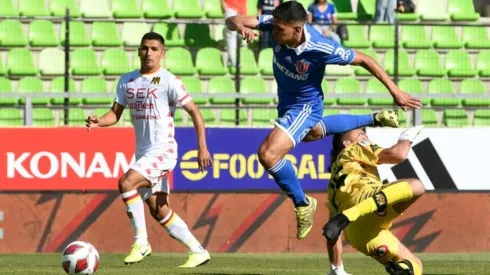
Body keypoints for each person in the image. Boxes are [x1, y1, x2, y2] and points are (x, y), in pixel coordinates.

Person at [225, 0, 421, 243]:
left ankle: (303, 203)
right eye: (273, 27)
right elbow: (231, 21)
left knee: (268, 154)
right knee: (313, 134)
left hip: (304, 107)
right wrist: (240, 27)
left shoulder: (320, 46)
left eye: (279, 30)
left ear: (296, 30)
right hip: (287, 103)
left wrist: (395, 91)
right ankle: (374, 118)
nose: (273, 33)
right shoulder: (274, 25)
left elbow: (364, 59)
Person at [85, 32, 212, 268]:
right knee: (159, 209)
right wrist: (98, 121)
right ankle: (198, 250)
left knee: (126, 183)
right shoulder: (127, 81)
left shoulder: (169, 81)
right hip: (143, 152)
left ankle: (141, 242)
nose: (149, 53)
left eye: (154, 49)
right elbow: (115, 114)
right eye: (145, 48)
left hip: (163, 150)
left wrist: (202, 147)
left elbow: (195, 113)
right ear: (138, 51)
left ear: (162, 53)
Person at [322, 126, 426, 275]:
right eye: (357, 130)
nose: (363, 133)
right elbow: (398, 154)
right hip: (363, 203)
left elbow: (332, 231)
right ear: (345, 142)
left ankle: (402, 270)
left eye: (363, 130)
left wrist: (336, 269)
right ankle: (351, 214)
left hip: (359, 233)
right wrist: (406, 137)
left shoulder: (334, 183)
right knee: (416, 186)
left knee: (415, 266)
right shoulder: (355, 147)